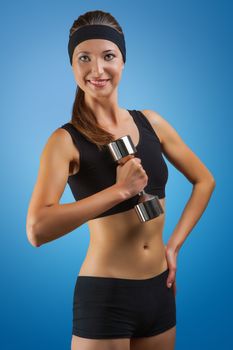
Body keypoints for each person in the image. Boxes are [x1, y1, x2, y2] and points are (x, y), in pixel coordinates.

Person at [26, 9, 216, 350]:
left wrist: (172, 246)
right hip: (106, 295)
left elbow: (205, 181)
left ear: (123, 61)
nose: (97, 70)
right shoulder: (65, 141)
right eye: (84, 58)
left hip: (160, 289)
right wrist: (119, 191)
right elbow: (37, 230)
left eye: (108, 56)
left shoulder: (151, 122)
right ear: (72, 65)